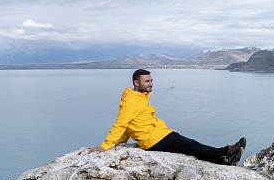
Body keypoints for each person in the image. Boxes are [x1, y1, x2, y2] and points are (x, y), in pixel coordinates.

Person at [90, 69, 246, 165]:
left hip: (159, 133)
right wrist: (106, 145)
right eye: (147, 81)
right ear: (136, 83)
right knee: (193, 146)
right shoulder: (132, 100)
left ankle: (224, 161)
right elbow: (121, 123)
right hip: (153, 139)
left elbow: (129, 123)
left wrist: (122, 142)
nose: (151, 83)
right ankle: (227, 151)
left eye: (151, 80)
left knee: (191, 149)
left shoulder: (140, 96)